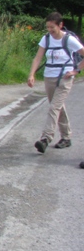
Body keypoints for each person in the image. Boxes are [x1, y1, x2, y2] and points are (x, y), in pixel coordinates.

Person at [28, 12, 84, 153]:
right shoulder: (46, 39)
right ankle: (66, 137)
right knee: (57, 107)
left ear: (60, 25)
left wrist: (76, 70)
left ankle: (45, 138)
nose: (50, 30)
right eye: (48, 27)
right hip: (49, 77)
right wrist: (31, 74)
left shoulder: (69, 40)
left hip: (65, 79)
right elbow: (38, 57)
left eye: (52, 27)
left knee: (54, 108)